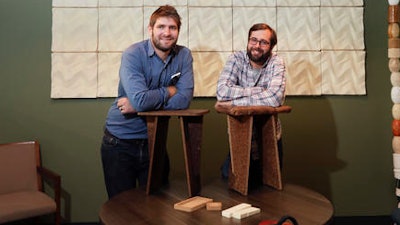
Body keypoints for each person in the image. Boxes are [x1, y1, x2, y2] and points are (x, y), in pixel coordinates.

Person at [100, 5, 194, 199]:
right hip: (120, 143)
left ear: (178, 31)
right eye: (161, 27)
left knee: (156, 208)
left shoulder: (184, 55)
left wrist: (138, 106)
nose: (167, 33)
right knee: (121, 209)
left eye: (172, 28)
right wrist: (169, 91)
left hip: (155, 141)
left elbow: (184, 100)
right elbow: (142, 100)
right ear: (150, 29)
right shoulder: (133, 54)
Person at [215, 23, 286, 187]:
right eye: (253, 40)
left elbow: (274, 98)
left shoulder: (277, 62)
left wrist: (232, 103)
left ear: (271, 46)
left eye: (264, 42)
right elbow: (222, 92)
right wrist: (260, 91)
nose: (257, 46)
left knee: (269, 194)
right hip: (239, 138)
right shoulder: (236, 59)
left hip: (269, 141)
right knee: (233, 189)